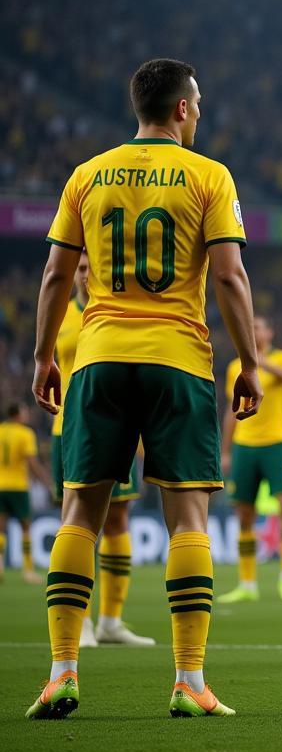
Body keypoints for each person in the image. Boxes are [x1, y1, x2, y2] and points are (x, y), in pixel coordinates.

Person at [27, 58, 263, 720]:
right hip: (177, 359)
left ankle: (61, 673)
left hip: (98, 357)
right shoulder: (208, 175)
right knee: (187, 519)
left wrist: (45, 356)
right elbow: (229, 278)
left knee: (80, 512)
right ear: (184, 109)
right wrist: (249, 361)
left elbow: (53, 276)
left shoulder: (87, 174)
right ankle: (189, 681)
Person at [52, 252, 154, 647]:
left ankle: (112, 620)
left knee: (117, 522)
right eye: (78, 269)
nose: (83, 275)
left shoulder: (118, 311)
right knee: (77, 522)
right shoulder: (61, 313)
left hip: (117, 428)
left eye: (89, 267)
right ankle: (83, 623)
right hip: (70, 429)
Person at [218, 315, 282, 605]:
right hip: (245, 445)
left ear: (270, 332)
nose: (253, 331)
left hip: (277, 444)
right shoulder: (234, 368)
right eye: (249, 327)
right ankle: (247, 583)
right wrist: (226, 450)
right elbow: (232, 409)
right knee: (244, 514)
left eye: (258, 327)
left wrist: (260, 362)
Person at [0, 402, 47, 585]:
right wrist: (45, 481)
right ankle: (28, 571)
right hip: (18, 486)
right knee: (26, 527)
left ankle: (0, 566)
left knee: (1, 528)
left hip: (0, 486)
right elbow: (32, 462)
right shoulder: (25, 433)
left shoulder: (1, 431)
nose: (27, 414)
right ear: (17, 414)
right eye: (25, 411)